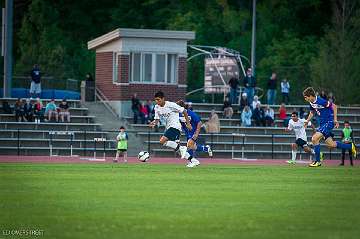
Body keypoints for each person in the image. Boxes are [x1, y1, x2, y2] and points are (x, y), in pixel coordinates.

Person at [303, 87, 357, 167]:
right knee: (331, 144)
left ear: (311, 95)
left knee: (314, 138)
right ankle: (350, 146)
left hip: (328, 123)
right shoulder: (311, 102)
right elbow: (312, 112)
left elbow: (334, 106)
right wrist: (307, 121)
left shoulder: (321, 101)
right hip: (322, 124)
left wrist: (335, 120)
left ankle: (317, 161)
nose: (305, 99)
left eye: (306, 97)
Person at [149, 91, 199, 168]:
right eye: (156, 100)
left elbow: (184, 111)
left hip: (175, 127)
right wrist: (154, 123)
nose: (157, 101)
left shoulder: (171, 105)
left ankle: (182, 148)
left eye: (158, 99)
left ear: (163, 99)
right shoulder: (157, 107)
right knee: (176, 149)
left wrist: (188, 124)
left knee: (162, 141)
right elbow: (157, 119)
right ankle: (193, 160)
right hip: (169, 128)